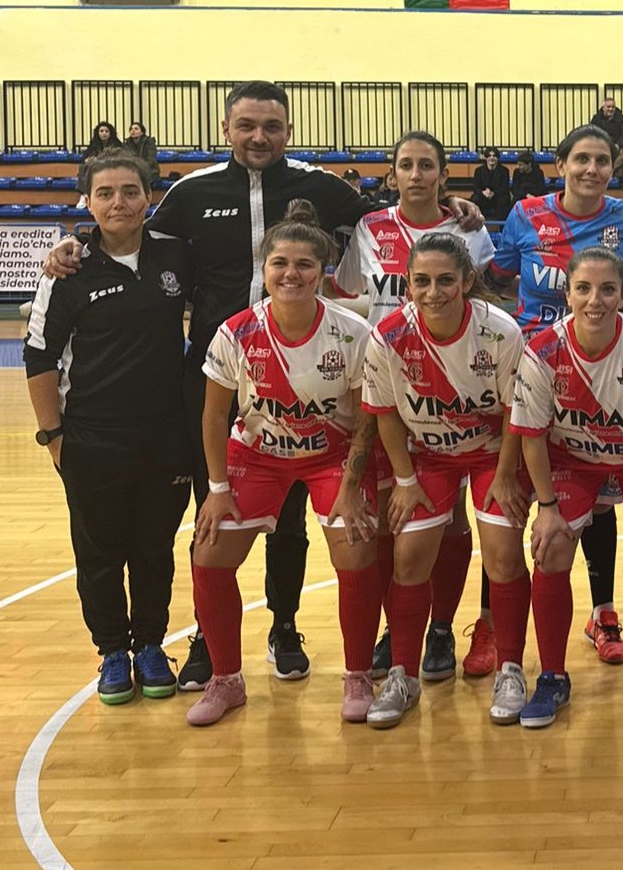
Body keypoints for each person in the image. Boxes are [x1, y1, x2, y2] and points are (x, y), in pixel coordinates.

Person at [41, 80, 483, 692]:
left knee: (294, 515)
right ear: (227, 129)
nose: (258, 136)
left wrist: (452, 206)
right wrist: (73, 242)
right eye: (246, 125)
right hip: (219, 370)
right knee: (214, 506)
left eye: (271, 126)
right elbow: (127, 231)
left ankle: (285, 626)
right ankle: (208, 639)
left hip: (309, 371)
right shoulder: (193, 192)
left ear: (288, 131)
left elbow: (389, 217)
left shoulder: (318, 186)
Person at [187, 201, 381, 727]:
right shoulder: (236, 332)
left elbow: (367, 417)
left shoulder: (352, 332)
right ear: (264, 266)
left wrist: (352, 486)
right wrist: (217, 489)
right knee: (209, 552)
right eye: (280, 263)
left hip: (332, 456)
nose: (291, 274)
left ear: (322, 272)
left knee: (356, 547)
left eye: (304, 265)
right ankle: (226, 680)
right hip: (257, 456)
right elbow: (213, 415)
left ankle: (358, 674)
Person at [24, 150, 193, 706]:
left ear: (149, 197)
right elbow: (39, 356)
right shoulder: (68, 271)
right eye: (105, 193)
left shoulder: (176, 255)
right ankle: (113, 651)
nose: (118, 202)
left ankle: (151, 645)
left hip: (166, 438)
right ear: (88, 202)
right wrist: (53, 438)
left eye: (129, 191)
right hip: (92, 439)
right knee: (99, 554)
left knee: (154, 549)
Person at [331, 130, 496, 683]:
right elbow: (348, 293)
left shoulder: (468, 230)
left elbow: (484, 300)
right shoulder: (370, 228)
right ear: (393, 173)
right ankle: (395, 629)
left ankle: (441, 627)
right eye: (406, 165)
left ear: (444, 175)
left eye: (428, 165)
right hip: (384, 386)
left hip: (454, 388)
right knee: (390, 519)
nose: (417, 174)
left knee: (449, 520)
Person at [510, 247, 623, 727]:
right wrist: (547, 507)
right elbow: (531, 435)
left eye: (608, 289)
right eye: (584, 289)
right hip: (574, 464)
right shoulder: (542, 351)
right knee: (550, 547)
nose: (596, 300)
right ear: (567, 295)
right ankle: (552, 676)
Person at [491, 124, 623, 666]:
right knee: (514, 503)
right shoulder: (525, 214)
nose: (591, 169)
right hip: (533, 375)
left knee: (597, 498)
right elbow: (497, 277)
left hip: (600, 376)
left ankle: (603, 612)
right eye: (581, 159)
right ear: (560, 165)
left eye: (602, 160)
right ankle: (492, 623)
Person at [362, 231, 527, 728]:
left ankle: (511, 669)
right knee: (409, 556)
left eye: (445, 281)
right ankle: (403, 675)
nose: (433, 292)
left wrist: (505, 476)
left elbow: (515, 413)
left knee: (503, 553)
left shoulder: (500, 332)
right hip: (428, 457)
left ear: (467, 281)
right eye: (422, 282)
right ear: (407, 283)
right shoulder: (388, 336)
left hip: (492, 454)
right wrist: (405, 479)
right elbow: (385, 414)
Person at [75, 120, 124, 203]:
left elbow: (119, 157)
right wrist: (87, 159)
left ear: (110, 133)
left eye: (106, 131)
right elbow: (85, 157)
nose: (104, 133)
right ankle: (84, 194)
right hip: (97, 167)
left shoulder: (117, 144)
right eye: (101, 131)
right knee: (84, 167)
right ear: (97, 133)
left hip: (111, 167)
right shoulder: (93, 144)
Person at [471, 146, 513, 221]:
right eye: (489, 156)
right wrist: (483, 192)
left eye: (494, 156)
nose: (492, 158)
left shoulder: (504, 170)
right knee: (475, 199)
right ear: (486, 158)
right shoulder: (478, 170)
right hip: (483, 195)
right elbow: (476, 187)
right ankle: (477, 223)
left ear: (497, 158)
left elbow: (504, 188)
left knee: (503, 200)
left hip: (498, 195)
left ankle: (501, 226)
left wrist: (493, 193)